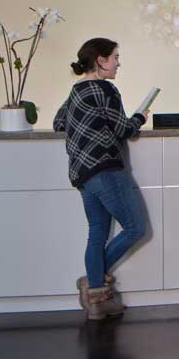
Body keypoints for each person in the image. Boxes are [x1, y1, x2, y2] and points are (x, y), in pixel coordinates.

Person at [52, 38, 150, 321]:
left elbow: (59, 123)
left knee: (97, 233)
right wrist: (140, 117)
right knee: (135, 228)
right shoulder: (106, 89)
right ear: (100, 60)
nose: (118, 62)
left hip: (82, 174)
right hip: (106, 170)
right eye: (115, 57)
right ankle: (92, 284)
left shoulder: (76, 91)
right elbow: (123, 129)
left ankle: (96, 299)